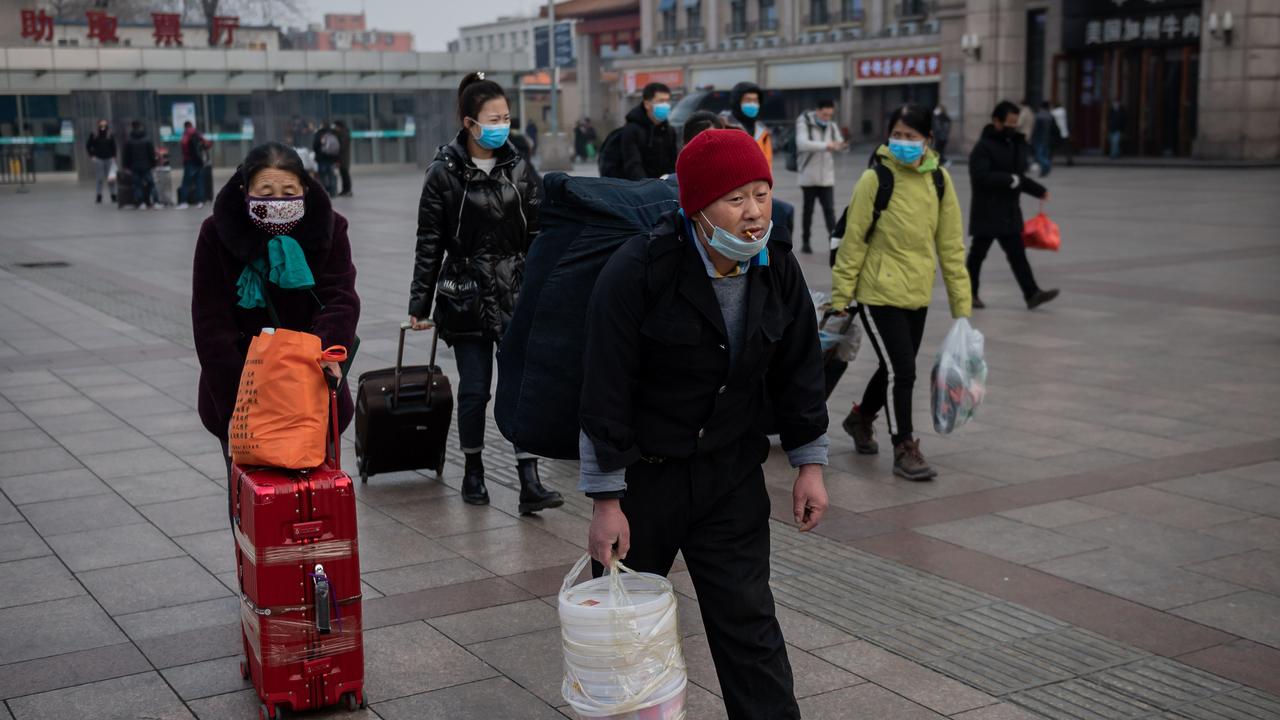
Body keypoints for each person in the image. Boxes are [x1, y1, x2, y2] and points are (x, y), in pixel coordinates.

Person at [581, 128, 829, 720]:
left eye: (762, 194)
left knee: (750, 628)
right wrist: (605, 499)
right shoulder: (639, 270)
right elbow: (604, 386)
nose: (753, 214)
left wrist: (809, 464)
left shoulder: (778, 269)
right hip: (645, 480)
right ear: (696, 208)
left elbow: (801, 369)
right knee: (626, 638)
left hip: (730, 475)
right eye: (735, 199)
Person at [408, 72, 563, 515]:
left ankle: (529, 479)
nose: (502, 125)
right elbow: (429, 242)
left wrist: (543, 286)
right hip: (467, 293)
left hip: (516, 289)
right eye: (493, 118)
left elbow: (538, 231)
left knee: (521, 388)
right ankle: (473, 469)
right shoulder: (443, 173)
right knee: (475, 389)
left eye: (507, 117)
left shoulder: (519, 165)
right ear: (470, 123)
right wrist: (419, 304)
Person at [191, 142, 360, 510]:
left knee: (320, 500)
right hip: (244, 393)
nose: (278, 201)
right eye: (265, 193)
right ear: (244, 191)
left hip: (311, 387)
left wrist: (321, 357)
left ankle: (319, 567)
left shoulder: (330, 229)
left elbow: (341, 297)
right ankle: (255, 566)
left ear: (305, 187)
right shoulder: (215, 235)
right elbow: (210, 323)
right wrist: (245, 397)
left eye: (288, 192)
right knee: (255, 503)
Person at [831, 104, 971, 481]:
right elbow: (854, 241)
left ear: (928, 140)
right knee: (903, 370)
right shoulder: (875, 179)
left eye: (912, 136)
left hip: (916, 292)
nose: (903, 143)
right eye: (897, 135)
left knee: (893, 366)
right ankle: (904, 447)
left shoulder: (939, 181)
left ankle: (860, 418)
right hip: (876, 291)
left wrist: (962, 305)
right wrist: (842, 297)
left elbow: (951, 245)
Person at [967, 100, 1060, 311]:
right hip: (988, 211)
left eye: (1015, 122)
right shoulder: (983, 147)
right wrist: (1009, 180)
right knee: (978, 255)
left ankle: (1032, 293)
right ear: (996, 121)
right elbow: (980, 176)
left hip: (1009, 211)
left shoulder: (1016, 144)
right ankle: (969, 294)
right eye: (1009, 122)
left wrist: (1039, 189)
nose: (1013, 127)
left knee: (1018, 254)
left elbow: (1020, 177)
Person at [794, 99, 846, 255]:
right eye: (824, 114)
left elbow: (840, 143)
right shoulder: (804, 123)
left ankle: (834, 243)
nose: (827, 118)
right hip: (809, 176)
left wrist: (840, 145)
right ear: (817, 111)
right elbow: (802, 144)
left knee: (830, 211)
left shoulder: (831, 125)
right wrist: (826, 146)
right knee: (808, 211)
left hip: (827, 177)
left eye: (830, 115)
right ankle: (806, 242)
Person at [618, 82, 678, 180]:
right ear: (647, 104)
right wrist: (647, 187)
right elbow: (633, 165)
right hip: (641, 189)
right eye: (661, 101)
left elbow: (673, 163)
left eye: (667, 101)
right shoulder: (631, 130)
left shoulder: (669, 131)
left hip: (664, 188)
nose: (665, 105)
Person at [728, 81, 773, 167]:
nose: (753, 104)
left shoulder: (763, 132)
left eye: (755, 101)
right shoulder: (722, 127)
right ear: (737, 102)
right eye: (748, 100)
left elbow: (768, 163)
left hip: (758, 180)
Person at [122, 120, 159, 210]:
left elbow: (126, 155)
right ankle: (155, 201)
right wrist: (154, 164)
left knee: (137, 185)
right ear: (140, 127)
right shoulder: (147, 139)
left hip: (134, 166)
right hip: (146, 166)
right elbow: (151, 154)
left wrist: (126, 166)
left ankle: (140, 202)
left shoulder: (129, 141)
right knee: (151, 184)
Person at [177, 120, 211, 209]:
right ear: (192, 125)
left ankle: (184, 202)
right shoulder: (198, 134)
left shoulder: (186, 135)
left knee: (186, 182)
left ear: (185, 127)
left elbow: (184, 145)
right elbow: (207, 144)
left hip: (189, 161)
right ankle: (200, 201)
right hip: (199, 161)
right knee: (199, 181)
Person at [86, 119, 117, 204]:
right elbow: (88, 146)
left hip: (109, 158)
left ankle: (113, 195)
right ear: (98, 124)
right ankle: (99, 196)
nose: (103, 125)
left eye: (105, 123)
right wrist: (92, 156)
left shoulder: (110, 134)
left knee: (111, 178)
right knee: (99, 178)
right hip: (98, 159)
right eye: (101, 123)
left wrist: (114, 156)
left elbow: (114, 146)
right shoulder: (94, 134)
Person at [313, 122, 340, 195]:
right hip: (332, 159)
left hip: (322, 159)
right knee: (332, 175)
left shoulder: (319, 134)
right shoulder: (333, 134)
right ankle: (333, 191)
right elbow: (337, 148)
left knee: (322, 175)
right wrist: (337, 159)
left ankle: (324, 191)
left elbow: (315, 146)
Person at [1032, 101, 1055, 177]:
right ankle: (1043, 171)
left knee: (1039, 155)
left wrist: (1033, 138)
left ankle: (1046, 165)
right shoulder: (1050, 116)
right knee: (1045, 155)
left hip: (1039, 138)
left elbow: (1035, 129)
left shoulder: (1039, 116)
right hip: (1048, 139)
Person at [334, 120, 353, 197]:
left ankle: (348, 190)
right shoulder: (343, 133)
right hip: (343, 157)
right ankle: (345, 190)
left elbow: (341, 147)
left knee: (345, 174)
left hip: (343, 158)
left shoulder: (343, 134)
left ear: (339, 127)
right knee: (343, 174)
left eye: (336, 127)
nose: (335, 128)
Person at [1051, 101, 1073, 167]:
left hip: (1057, 133)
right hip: (1064, 132)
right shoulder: (1064, 111)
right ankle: (1069, 160)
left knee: (1052, 147)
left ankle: (1049, 160)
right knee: (1067, 148)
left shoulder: (1054, 112)